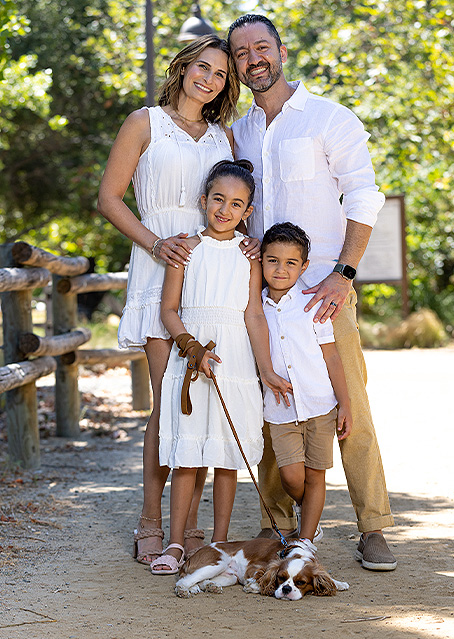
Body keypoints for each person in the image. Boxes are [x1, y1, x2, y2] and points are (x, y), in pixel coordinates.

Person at [228, 14, 397, 570]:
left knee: (351, 410)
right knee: (273, 404)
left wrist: (343, 273)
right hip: (264, 297)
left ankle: (373, 527)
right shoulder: (242, 131)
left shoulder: (329, 118)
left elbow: (364, 199)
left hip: (323, 292)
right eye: (242, 52)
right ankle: (278, 525)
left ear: (280, 49)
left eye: (261, 47)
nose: (253, 58)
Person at [97, 35, 260, 570]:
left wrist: (253, 241)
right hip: (159, 263)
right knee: (169, 403)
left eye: (220, 74)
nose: (210, 79)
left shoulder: (223, 137)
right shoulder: (144, 122)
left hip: (210, 276)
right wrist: (154, 243)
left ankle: (188, 529)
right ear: (184, 67)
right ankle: (151, 522)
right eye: (202, 67)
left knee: (204, 404)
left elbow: (236, 200)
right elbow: (108, 198)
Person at [149, 160, 292, 574]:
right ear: (203, 200)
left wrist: (264, 369)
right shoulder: (184, 250)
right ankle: (176, 544)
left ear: (248, 211)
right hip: (192, 362)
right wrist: (192, 348)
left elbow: (253, 315)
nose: (225, 210)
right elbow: (169, 310)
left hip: (235, 362)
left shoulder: (250, 257)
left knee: (227, 457)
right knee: (188, 456)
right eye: (218, 200)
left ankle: (219, 543)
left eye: (236, 204)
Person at [261, 222, 353, 543]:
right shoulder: (255, 309)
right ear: (261, 260)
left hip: (319, 405)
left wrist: (346, 403)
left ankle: (306, 542)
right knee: (291, 477)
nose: (281, 269)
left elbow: (332, 358)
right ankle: (305, 511)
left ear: (304, 266)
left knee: (316, 475)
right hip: (281, 409)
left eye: (290, 263)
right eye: (272, 260)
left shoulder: (312, 303)